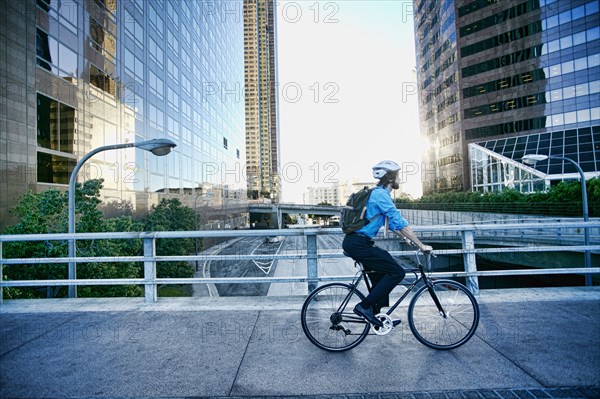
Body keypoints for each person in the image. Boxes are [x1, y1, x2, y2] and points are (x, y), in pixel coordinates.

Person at [342, 160, 433, 327]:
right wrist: (421, 245)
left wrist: (405, 238)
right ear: (390, 178)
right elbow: (399, 221)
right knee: (397, 272)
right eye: (398, 175)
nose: (400, 179)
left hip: (357, 243)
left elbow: (390, 223)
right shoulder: (381, 195)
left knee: (381, 273)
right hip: (358, 244)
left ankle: (376, 316)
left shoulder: (378, 194)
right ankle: (364, 307)